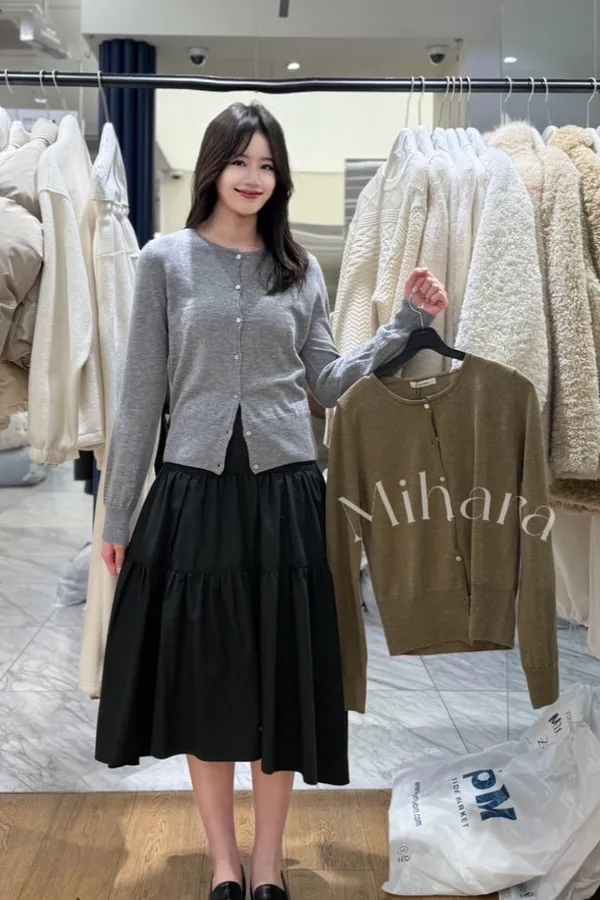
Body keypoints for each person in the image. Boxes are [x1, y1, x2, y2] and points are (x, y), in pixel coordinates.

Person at [95, 101, 448, 900]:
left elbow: (328, 381)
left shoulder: (299, 269)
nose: (253, 177)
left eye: (266, 165)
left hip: (286, 497)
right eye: (240, 161)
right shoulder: (164, 261)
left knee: (278, 681)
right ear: (213, 166)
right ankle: (223, 861)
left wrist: (405, 325)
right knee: (207, 681)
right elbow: (140, 397)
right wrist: (118, 514)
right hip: (193, 497)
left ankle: (266, 863)